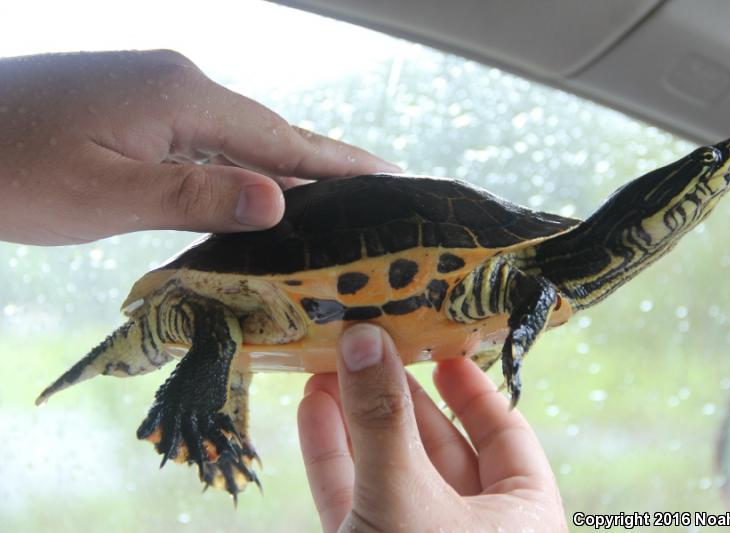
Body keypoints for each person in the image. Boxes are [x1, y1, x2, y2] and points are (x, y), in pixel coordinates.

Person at [0, 50, 567, 531]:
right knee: (216, 338)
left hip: (262, 313)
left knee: (222, 342)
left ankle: (204, 409)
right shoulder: (524, 274)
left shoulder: (523, 288)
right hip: (223, 299)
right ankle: (192, 409)